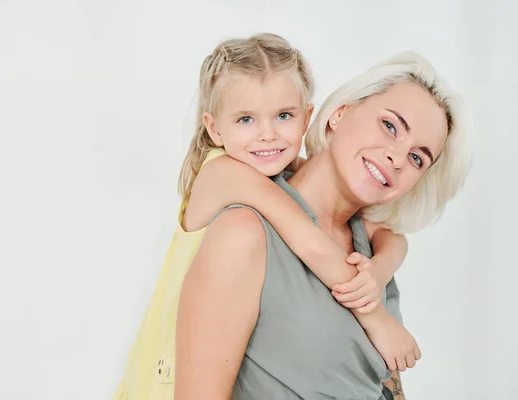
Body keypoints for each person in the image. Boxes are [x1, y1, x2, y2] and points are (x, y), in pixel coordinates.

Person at [116, 33, 412, 400]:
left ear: (306, 118)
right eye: (245, 120)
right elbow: (310, 241)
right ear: (214, 127)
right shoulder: (221, 173)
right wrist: (377, 319)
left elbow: (392, 235)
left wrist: (382, 265)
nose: (267, 135)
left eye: (283, 116)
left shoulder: (281, 175)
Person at [175, 50, 473, 399]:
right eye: (390, 125)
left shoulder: (372, 255)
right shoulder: (245, 231)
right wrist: (372, 313)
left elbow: (383, 385)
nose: (396, 157)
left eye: (417, 158)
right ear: (339, 114)